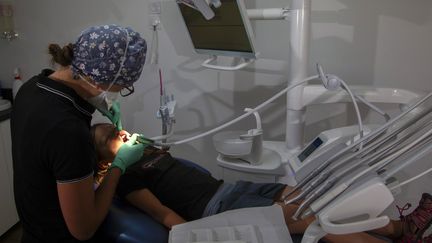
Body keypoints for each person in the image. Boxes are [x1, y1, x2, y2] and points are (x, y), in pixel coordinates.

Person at [91, 123, 432, 243]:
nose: (121, 132)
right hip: (219, 209)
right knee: (316, 221)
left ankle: (399, 230)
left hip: (232, 189)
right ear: (106, 161)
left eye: (116, 126)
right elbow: (163, 215)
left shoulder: (147, 152)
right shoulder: (126, 177)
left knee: (321, 195)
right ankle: (399, 234)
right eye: (111, 137)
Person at [11, 24, 148, 242]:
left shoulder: (31, 88)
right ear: (98, 80)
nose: (120, 93)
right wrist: (118, 166)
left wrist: (97, 103)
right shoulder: (69, 131)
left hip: (32, 229)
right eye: (123, 87)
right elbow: (83, 230)